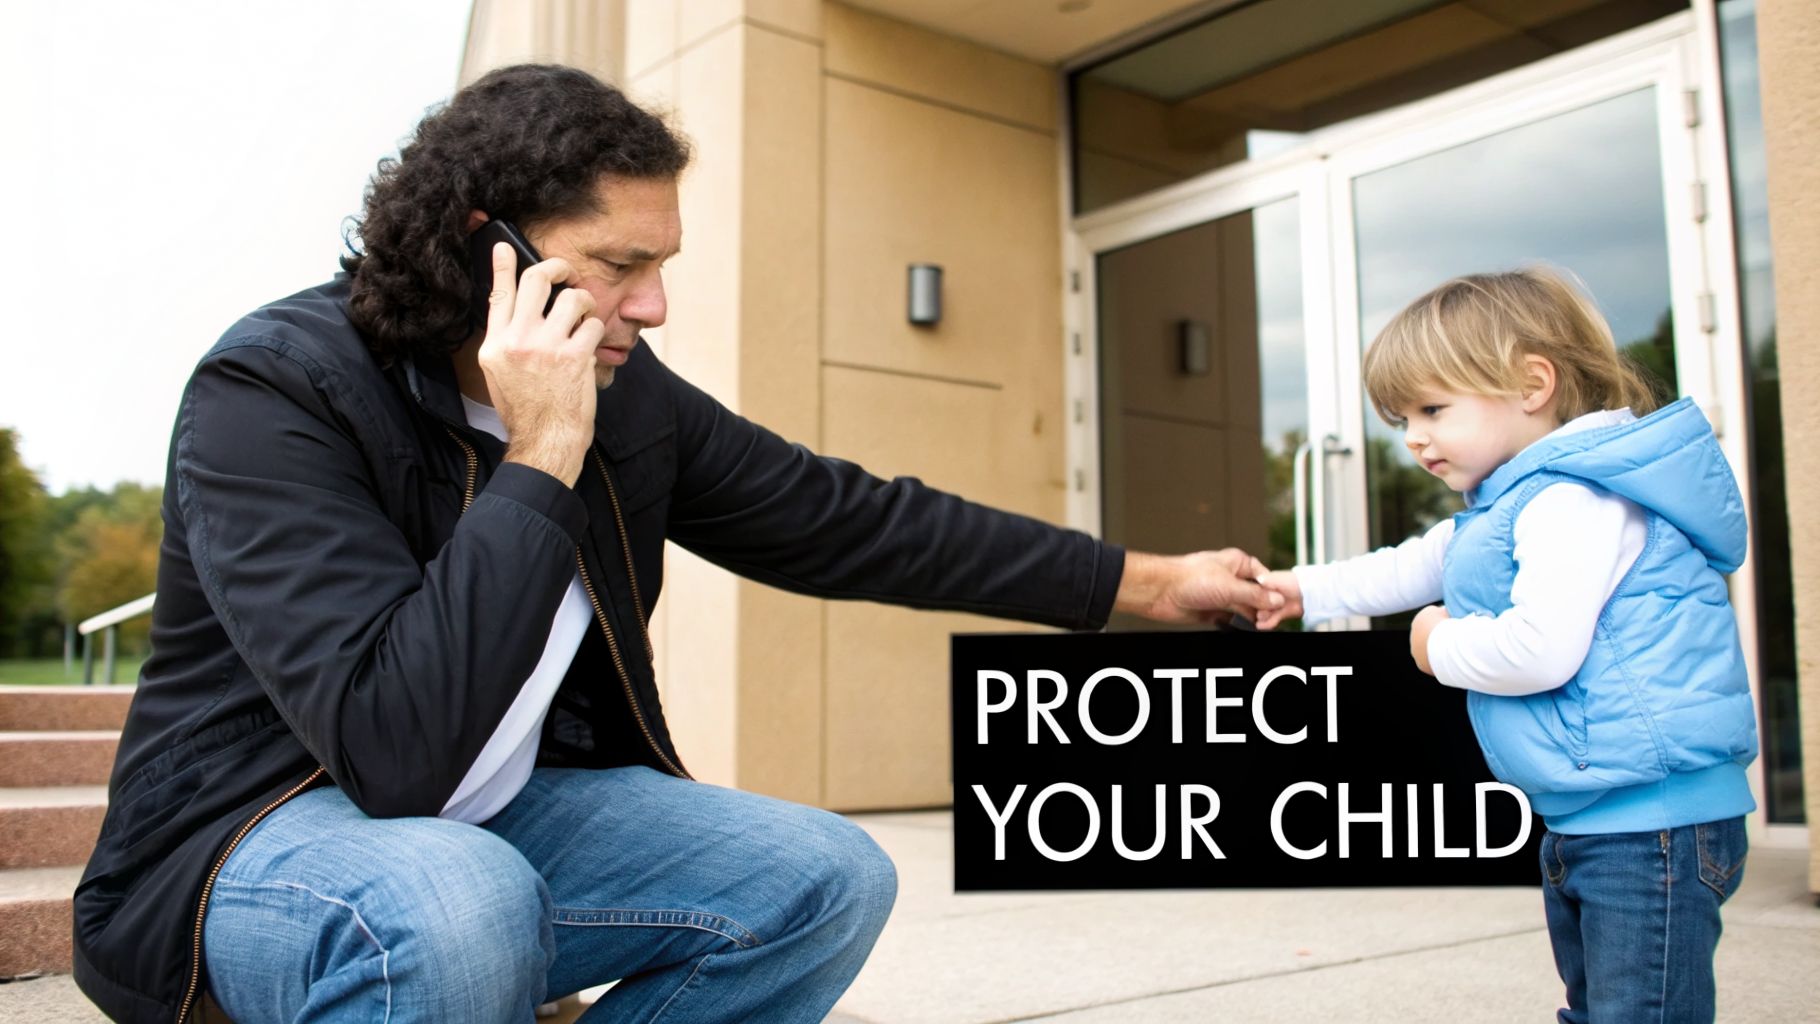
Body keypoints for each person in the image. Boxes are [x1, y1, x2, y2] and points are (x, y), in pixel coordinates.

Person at [73, 64, 1282, 1024]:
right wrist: (540, 454)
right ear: (483, 244)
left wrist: (1149, 581)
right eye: (620, 265)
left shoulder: (631, 393)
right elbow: (394, 751)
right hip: (251, 836)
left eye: (661, 265)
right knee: (456, 900)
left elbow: (849, 519)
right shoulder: (275, 389)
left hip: (499, 812)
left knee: (822, 877)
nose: (652, 307)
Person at [1255, 267, 1757, 1023]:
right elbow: (1410, 565)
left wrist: (1436, 644)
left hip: (1650, 822)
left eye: (1432, 407)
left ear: (1532, 384)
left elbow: (1538, 650)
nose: (1414, 437)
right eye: (1401, 420)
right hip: (1597, 816)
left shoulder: (1573, 501)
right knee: (1601, 1009)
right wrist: (1302, 592)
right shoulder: (1510, 506)